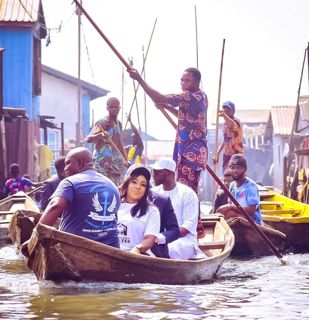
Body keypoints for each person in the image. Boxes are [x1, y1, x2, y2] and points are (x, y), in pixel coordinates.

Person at [128, 67, 208, 194]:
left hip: (190, 150)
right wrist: (166, 107)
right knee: (189, 189)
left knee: (185, 190)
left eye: (187, 80)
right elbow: (187, 117)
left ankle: (187, 213)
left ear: (197, 82)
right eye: (182, 80)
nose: (183, 83)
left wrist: (139, 80)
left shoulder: (189, 96)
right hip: (192, 149)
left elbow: (160, 97)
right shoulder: (201, 96)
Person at [39, 147, 120, 247]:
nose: (65, 169)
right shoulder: (112, 185)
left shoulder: (69, 182)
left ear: (80, 163)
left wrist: (35, 236)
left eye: (68, 163)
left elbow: (55, 206)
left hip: (77, 249)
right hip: (112, 249)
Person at [151, 157, 202, 260]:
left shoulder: (187, 194)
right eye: (153, 172)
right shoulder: (153, 193)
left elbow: (188, 226)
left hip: (184, 240)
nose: (153, 175)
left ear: (170, 174)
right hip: (155, 238)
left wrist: (164, 238)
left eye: (157, 172)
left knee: (170, 250)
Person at [118, 164, 160, 255]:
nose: (138, 187)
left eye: (143, 184)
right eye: (134, 182)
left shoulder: (152, 211)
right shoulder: (114, 205)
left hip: (137, 257)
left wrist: (137, 249)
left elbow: (150, 239)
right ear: (127, 183)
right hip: (111, 253)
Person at [86, 97, 128, 185]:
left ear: (119, 108)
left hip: (114, 164)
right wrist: (100, 135)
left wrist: (125, 160)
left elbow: (119, 143)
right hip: (101, 165)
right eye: (111, 107)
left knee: (114, 188)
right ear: (107, 108)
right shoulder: (103, 122)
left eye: (115, 107)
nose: (113, 109)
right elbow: (89, 139)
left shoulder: (118, 124)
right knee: (102, 188)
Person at [216, 154, 263, 225]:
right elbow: (231, 205)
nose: (235, 170)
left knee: (229, 213)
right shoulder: (232, 185)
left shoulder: (251, 186)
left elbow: (251, 211)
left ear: (245, 169)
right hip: (238, 219)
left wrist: (229, 207)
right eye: (232, 167)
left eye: (238, 168)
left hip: (253, 222)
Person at [148, 190, 180, 258]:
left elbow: (175, 231)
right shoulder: (120, 198)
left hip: (154, 257)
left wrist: (155, 238)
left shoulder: (161, 200)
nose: (137, 187)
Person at [213, 101, 244, 171]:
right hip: (227, 154)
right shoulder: (225, 123)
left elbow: (232, 124)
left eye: (228, 110)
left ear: (233, 111)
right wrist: (217, 153)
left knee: (234, 174)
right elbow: (225, 140)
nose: (226, 112)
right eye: (224, 110)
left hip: (236, 154)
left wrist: (224, 115)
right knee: (226, 174)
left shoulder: (236, 121)